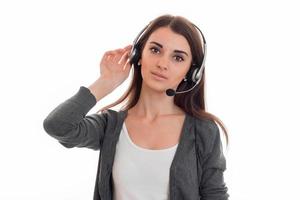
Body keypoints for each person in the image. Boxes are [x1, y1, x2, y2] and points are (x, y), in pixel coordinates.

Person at [43, 14, 230, 200]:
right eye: (156, 50)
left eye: (178, 58)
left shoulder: (203, 131)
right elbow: (58, 126)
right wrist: (106, 82)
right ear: (138, 55)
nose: (162, 64)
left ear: (192, 72)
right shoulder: (110, 126)